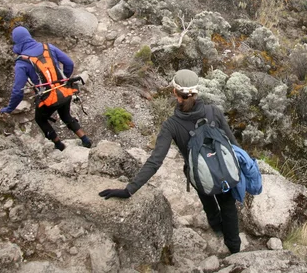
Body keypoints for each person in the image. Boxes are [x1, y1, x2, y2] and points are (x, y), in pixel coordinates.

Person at [98, 69, 242, 254]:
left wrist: (129, 189)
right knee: (228, 205)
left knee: (207, 199)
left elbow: (155, 161)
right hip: (223, 169)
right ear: (197, 91)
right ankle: (234, 249)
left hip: (199, 174)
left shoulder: (171, 125)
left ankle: (216, 229)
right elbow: (233, 144)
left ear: (175, 92)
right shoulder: (214, 111)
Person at [0, 26, 92, 151]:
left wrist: (9, 109)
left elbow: (17, 91)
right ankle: (85, 139)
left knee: (40, 119)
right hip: (65, 90)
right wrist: (63, 80)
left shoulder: (22, 62)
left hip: (48, 98)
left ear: (17, 42)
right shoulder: (48, 47)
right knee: (66, 115)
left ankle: (59, 145)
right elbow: (69, 63)